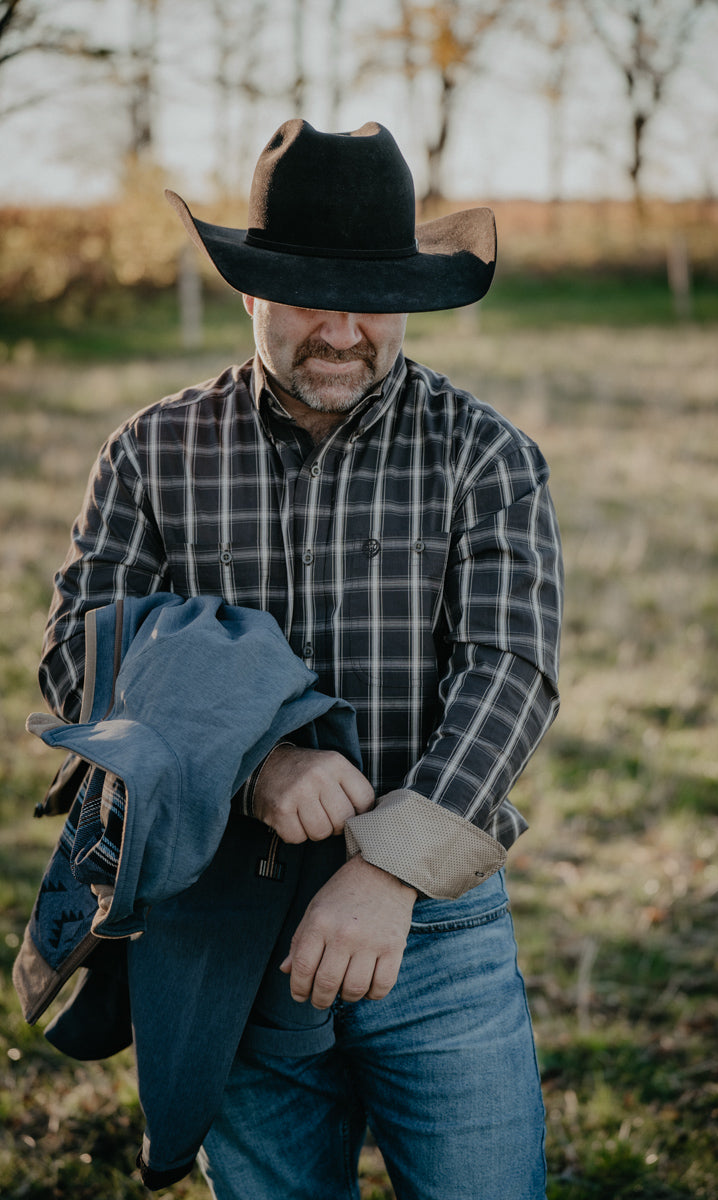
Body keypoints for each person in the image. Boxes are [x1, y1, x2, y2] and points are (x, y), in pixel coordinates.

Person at [39, 119, 563, 1199]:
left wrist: (385, 870)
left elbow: (510, 671)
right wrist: (258, 760)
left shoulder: (486, 455)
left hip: (434, 934)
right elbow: (79, 655)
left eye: (368, 293)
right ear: (249, 291)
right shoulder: (152, 453)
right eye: (303, 293)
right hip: (221, 922)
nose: (338, 327)